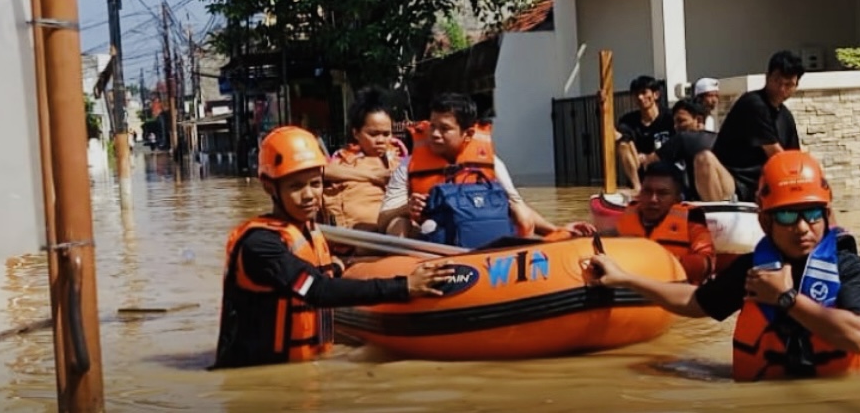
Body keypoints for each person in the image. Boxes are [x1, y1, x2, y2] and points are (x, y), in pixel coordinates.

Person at [589, 151, 860, 382]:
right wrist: (625, 278)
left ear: (826, 214)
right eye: (787, 217)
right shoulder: (752, 271)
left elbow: (859, 338)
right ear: (765, 221)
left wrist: (786, 298)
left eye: (812, 213)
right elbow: (693, 301)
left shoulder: (851, 269)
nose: (803, 227)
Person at [213, 126, 452, 369]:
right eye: (296, 187)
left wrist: (336, 268)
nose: (309, 196)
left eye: (315, 184)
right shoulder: (260, 245)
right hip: (260, 383)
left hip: (303, 369)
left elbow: (314, 277)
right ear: (269, 187)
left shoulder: (309, 230)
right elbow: (317, 290)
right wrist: (405, 286)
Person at [378, 93, 590, 246]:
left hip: (480, 236)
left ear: (468, 134)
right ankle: (404, 278)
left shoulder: (491, 163)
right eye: (432, 126)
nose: (434, 134)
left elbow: (516, 205)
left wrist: (556, 230)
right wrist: (406, 208)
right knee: (397, 224)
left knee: (520, 214)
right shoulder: (408, 165)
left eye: (444, 129)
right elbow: (384, 220)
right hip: (431, 241)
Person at [694, 51, 804, 202]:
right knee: (704, 159)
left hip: (764, 187)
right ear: (767, 77)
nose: (782, 88)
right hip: (732, 181)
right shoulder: (753, 104)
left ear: (796, 85)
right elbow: (777, 156)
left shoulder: (786, 117)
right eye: (777, 81)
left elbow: (793, 159)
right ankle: (719, 217)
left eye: (788, 84)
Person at [609, 161, 715, 284]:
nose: (653, 199)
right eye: (647, 191)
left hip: (675, 295)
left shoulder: (690, 219)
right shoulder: (629, 214)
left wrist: (660, 264)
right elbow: (609, 243)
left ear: (677, 198)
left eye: (662, 193)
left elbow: (707, 262)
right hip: (629, 294)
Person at [323, 87, 408, 233]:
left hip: (395, 230)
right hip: (359, 238)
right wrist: (373, 176)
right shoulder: (342, 159)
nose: (381, 140)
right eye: (373, 134)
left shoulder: (400, 158)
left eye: (386, 134)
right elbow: (320, 170)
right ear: (356, 133)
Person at [639, 99, 716, 201]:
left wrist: (641, 158)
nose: (676, 127)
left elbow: (650, 163)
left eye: (681, 121)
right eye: (674, 123)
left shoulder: (682, 139)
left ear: (699, 120)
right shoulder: (718, 139)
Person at [616, 75, 675, 194]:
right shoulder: (628, 120)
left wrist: (651, 157)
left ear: (656, 95)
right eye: (636, 94)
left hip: (668, 172)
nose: (640, 97)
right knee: (622, 145)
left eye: (644, 92)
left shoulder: (670, 118)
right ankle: (637, 188)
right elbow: (624, 139)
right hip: (640, 171)